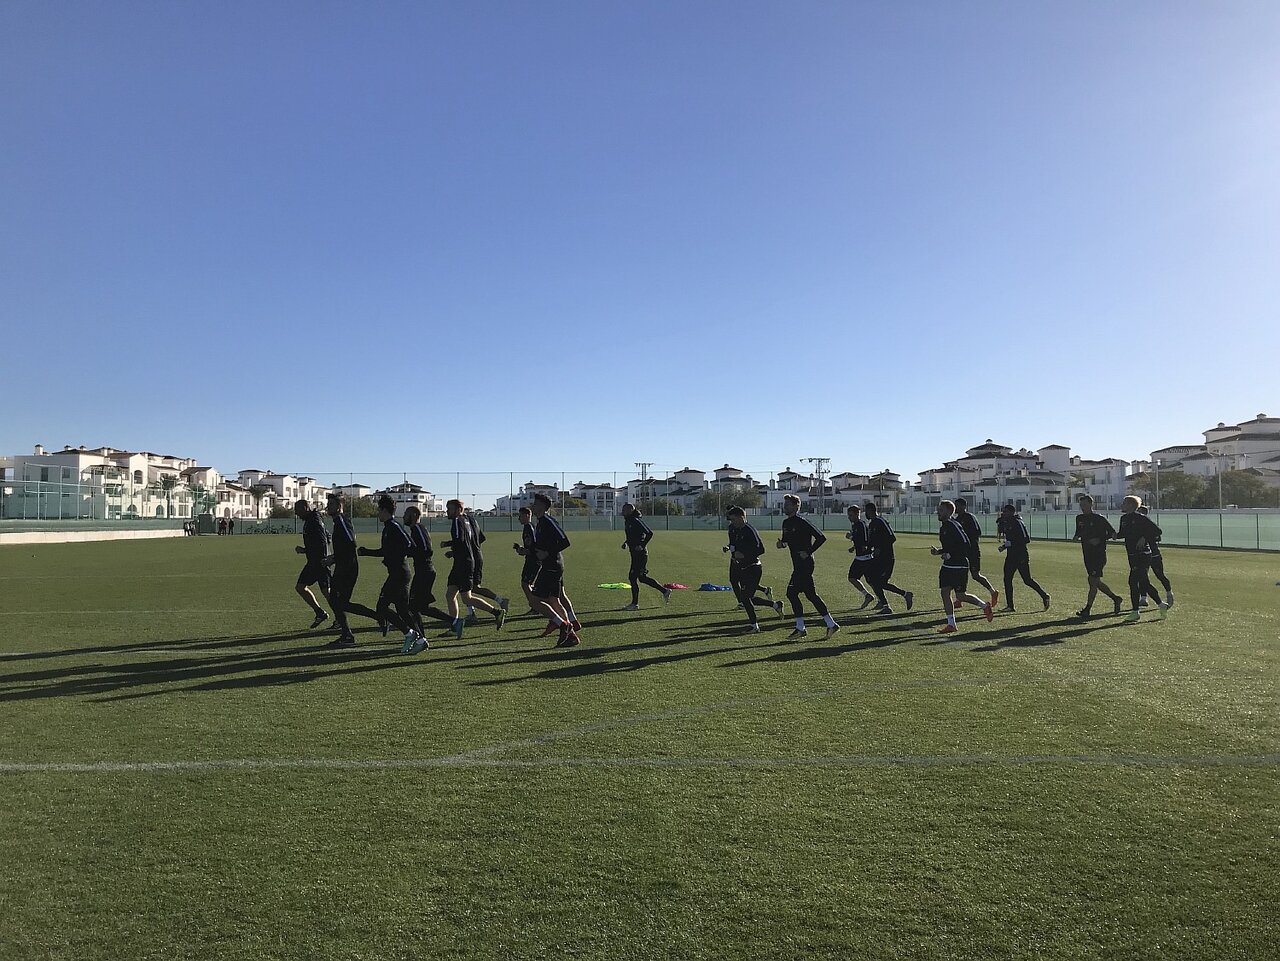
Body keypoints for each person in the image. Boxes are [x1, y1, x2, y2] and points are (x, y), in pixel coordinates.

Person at [356, 494, 420, 653]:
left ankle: (409, 633)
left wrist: (395, 558)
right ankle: (421, 639)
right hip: (399, 572)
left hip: (399, 574)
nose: (377, 513)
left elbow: (410, 545)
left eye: (379, 510)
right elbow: (386, 551)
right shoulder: (389, 527)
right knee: (402, 610)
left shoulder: (393, 526)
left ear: (384, 510)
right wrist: (368, 552)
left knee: (382, 608)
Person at [440, 499, 506, 640]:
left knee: (466, 597)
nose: (447, 511)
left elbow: (460, 541)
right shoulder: (469, 520)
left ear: (458, 509)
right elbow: (476, 539)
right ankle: (455, 626)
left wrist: (448, 545)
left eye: (449, 508)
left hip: (463, 564)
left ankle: (496, 612)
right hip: (465, 561)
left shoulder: (457, 521)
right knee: (451, 594)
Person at [776, 494, 839, 640]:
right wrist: (781, 544)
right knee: (811, 595)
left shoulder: (802, 522)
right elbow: (786, 541)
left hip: (805, 564)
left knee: (791, 593)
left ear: (795, 506)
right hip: (797, 564)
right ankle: (831, 624)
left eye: (787, 504)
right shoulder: (786, 523)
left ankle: (801, 628)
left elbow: (821, 537)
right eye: (784, 504)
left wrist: (808, 552)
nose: (785, 507)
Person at [932, 500, 994, 634]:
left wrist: (950, 554)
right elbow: (950, 546)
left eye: (941, 510)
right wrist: (940, 552)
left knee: (961, 596)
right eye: (938, 510)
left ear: (949, 512)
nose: (938, 512)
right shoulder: (944, 527)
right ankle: (951, 624)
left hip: (959, 565)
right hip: (948, 565)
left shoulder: (954, 525)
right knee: (945, 592)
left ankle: (985, 606)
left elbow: (965, 544)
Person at [530, 492, 579, 647]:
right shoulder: (540, 522)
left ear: (543, 507)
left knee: (535, 601)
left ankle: (563, 624)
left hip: (552, 566)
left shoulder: (548, 521)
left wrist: (547, 553)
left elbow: (565, 541)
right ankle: (570, 635)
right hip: (550, 565)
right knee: (554, 600)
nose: (533, 506)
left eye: (535, 504)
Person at [1118, 496, 1170, 623]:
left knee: (1133, 581)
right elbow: (1122, 534)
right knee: (1144, 583)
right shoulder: (1123, 519)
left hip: (1143, 554)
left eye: (1124, 503)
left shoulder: (1141, 518)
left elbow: (1157, 531)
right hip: (1132, 554)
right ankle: (1161, 604)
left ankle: (1135, 612)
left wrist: (1144, 537)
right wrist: (1110, 535)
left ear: (1131, 505)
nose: (1122, 505)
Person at [403, 506, 452, 642]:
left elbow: (427, 550)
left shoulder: (418, 528)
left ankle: (421, 638)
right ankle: (454, 621)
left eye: (406, 514)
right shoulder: (416, 529)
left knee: (412, 606)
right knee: (421, 608)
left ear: (414, 515)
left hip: (425, 572)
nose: (404, 517)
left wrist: (408, 552)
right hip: (424, 571)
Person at [1072, 494, 1123, 619]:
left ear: (1091, 504)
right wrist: (1076, 536)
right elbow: (1079, 531)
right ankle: (1116, 598)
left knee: (1093, 581)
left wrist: (1100, 539)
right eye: (1081, 505)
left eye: (1085, 505)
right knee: (1095, 581)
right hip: (1087, 554)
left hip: (1098, 554)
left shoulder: (1099, 518)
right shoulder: (1079, 518)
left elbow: (1112, 533)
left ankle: (1087, 609)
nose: (1082, 507)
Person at [995, 505, 1050, 612]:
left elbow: (1026, 539)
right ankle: (1010, 606)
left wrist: (1011, 543)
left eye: (1006, 511)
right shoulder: (1007, 523)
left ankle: (1044, 596)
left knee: (1027, 580)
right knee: (1007, 579)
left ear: (1012, 512)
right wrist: (1004, 546)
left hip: (1020, 555)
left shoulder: (1017, 522)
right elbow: (1009, 538)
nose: (1004, 513)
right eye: (1003, 511)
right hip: (1011, 556)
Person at [619, 503, 673, 610]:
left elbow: (649, 533)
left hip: (640, 554)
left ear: (630, 510)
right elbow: (633, 535)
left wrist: (642, 545)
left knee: (632, 577)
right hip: (634, 553)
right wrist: (626, 542)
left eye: (624, 510)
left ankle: (634, 604)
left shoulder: (635, 520)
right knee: (642, 578)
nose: (622, 512)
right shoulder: (628, 521)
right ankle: (665, 591)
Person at [323, 492, 360, 647]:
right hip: (343, 566)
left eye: (331, 504)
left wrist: (334, 558)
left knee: (339, 602)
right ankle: (346, 634)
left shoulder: (341, 521)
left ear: (339, 507)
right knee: (337, 601)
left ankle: (378, 617)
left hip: (347, 567)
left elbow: (351, 544)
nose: (328, 507)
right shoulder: (338, 521)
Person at [863, 502, 913, 614]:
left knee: (879, 582)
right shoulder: (871, 524)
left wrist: (880, 548)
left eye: (866, 511)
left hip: (886, 558)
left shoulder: (881, 521)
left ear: (870, 511)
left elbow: (892, 538)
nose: (865, 513)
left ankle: (895, 600)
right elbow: (872, 542)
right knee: (871, 579)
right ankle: (885, 602)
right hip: (877, 558)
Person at [462, 510, 509, 625]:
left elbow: (464, 541)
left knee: (470, 587)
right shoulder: (473, 521)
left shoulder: (463, 522)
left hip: (470, 558)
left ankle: (500, 601)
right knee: (467, 587)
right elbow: (482, 538)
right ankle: (472, 613)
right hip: (476, 556)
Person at [293, 498, 332, 629]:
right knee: (301, 587)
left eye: (297, 510)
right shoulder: (312, 519)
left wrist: (307, 551)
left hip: (320, 562)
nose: (296, 513)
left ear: (305, 508)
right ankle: (320, 612)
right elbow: (327, 536)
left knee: (327, 592)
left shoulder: (314, 520)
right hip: (313, 562)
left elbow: (322, 541)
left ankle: (340, 618)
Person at [953, 498, 999, 607]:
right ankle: (959, 599)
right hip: (962, 553)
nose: (956, 508)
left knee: (975, 575)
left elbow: (977, 532)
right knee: (959, 574)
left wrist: (966, 539)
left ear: (964, 506)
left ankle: (993, 592)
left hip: (972, 551)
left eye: (958, 505)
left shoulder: (969, 517)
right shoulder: (957, 519)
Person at [1137, 505, 1174, 607]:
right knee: (1142, 576)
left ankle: (1169, 593)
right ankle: (1143, 598)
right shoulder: (1136, 525)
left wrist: (1146, 537)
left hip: (1154, 555)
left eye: (1140, 512)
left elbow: (1158, 536)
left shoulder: (1150, 525)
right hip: (1142, 554)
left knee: (1159, 575)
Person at [843, 505, 878, 610]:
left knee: (852, 578)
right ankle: (878, 599)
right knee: (871, 581)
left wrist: (851, 537)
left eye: (851, 515)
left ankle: (868, 596)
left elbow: (865, 541)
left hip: (864, 558)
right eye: (848, 515)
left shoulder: (861, 525)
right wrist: (854, 547)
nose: (849, 517)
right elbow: (859, 540)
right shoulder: (855, 525)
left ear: (857, 514)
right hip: (862, 557)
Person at [512, 506, 542, 613]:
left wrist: (524, 551)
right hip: (532, 559)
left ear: (527, 515)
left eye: (520, 516)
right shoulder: (529, 526)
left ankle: (536, 606)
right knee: (528, 583)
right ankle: (537, 605)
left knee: (525, 584)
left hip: (533, 560)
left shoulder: (529, 527)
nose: (519, 518)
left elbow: (533, 547)